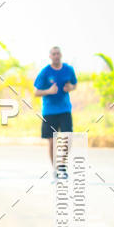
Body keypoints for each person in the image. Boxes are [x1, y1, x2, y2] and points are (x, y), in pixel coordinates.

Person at [34, 46, 77, 178]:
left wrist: (71, 87)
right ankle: (55, 169)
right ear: (50, 56)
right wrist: (48, 91)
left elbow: (74, 85)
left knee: (68, 138)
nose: (56, 56)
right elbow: (36, 92)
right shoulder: (45, 72)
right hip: (49, 111)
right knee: (52, 142)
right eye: (54, 54)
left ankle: (62, 165)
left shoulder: (68, 70)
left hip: (64, 109)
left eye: (58, 53)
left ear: (61, 55)